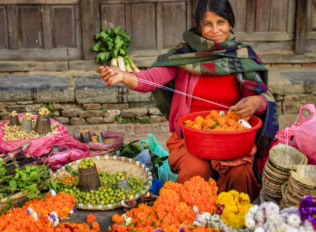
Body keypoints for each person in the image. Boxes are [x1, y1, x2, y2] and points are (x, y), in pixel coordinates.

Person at [97, 0, 279, 201]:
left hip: (231, 140)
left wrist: (256, 102)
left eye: (221, 22)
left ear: (230, 24)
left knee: (240, 172)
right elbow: (151, 79)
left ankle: (236, 219)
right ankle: (192, 218)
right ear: (199, 26)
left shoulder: (242, 56)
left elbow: (264, 97)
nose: (215, 30)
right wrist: (123, 76)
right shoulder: (185, 56)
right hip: (190, 139)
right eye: (208, 24)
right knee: (196, 169)